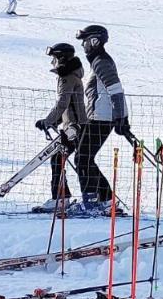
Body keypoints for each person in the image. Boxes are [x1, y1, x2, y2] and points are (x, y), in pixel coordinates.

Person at [74, 25, 131, 214]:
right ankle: (106, 201)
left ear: (95, 41)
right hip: (99, 116)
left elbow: (115, 89)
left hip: (102, 118)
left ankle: (92, 202)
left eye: (85, 41)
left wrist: (121, 117)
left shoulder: (101, 61)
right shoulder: (98, 61)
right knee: (85, 158)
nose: (83, 45)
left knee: (83, 158)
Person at [33, 43, 87, 211]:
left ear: (61, 58)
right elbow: (69, 104)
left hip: (75, 127)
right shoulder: (70, 76)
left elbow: (62, 102)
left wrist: (48, 121)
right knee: (67, 160)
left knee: (59, 159)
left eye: (54, 59)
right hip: (74, 125)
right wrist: (53, 122)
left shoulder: (67, 77)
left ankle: (61, 198)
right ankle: (65, 197)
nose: (52, 63)